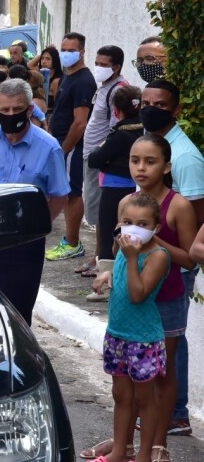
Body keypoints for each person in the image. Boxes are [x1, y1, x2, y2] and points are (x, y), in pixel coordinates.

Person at [81, 134, 198, 462]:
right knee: (126, 383)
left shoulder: (178, 205)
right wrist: (112, 267)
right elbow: (119, 251)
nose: (141, 168)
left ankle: (157, 444)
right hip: (130, 303)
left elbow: (190, 260)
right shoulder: (128, 203)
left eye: (150, 161)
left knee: (162, 375)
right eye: (135, 161)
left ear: (166, 166)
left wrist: (151, 239)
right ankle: (124, 445)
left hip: (168, 297)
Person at [0, 79, 69, 326]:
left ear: (30, 109)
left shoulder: (49, 147)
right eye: (5, 110)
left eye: (17, 109)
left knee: (16, 311)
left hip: (24, 239)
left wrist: (36, 225)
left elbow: (60, 195)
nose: (11, 115)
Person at [140, 79, 204, 435]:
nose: (150, 108)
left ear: (176, 109)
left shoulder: (185, 157)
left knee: (172, 338)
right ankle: (154, 410)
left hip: (175, 263)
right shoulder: (153, 145)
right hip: (149, 262)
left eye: (160, 104)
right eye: (145, 101)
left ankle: (176, 413)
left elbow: (195, 222)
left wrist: (162, 249)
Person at [95, 192, 170, 462]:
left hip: (143, 340)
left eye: (143, 224)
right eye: (127, 222)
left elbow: (138, 294)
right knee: (121, 396)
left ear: (155, 228)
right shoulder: (122, 248)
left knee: (144, 400)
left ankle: (143, 455)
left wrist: (129, 258)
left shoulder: (157, 256)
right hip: (117, 334)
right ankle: (118, 451)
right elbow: (120, 274)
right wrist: (107, 272)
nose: (134, 229)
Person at [75, 45, 129, 277]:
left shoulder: (118, 90)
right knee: (97, 212)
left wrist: (100, 154)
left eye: (104, 65)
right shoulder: (106, 87)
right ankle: (98, 255)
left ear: (116, 67)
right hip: (91, 156)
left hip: (99, 159)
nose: (98, 68)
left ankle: (102, 258)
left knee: (102, 214)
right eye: (97, 63)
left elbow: (113, 128)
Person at [45, 32, 97, 261]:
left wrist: (64, 149)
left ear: (82, 52)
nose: (66, 54)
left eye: (71, 50)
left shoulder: (84, 81)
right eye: (63, 49)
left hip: (71, 145)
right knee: (65, 193)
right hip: (61, 142)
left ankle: (73, 243)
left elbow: (80, 122)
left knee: (72, 193)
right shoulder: (69, 75)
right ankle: (69, 240)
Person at [87, 86, 143, 283]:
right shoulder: (144, 131)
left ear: (116, 111)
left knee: (109, 232)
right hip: (136, 189)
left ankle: (105, 279)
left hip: (114, 190)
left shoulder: (119, 135)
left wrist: (105, 156)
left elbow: (94, 159)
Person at [28, 46, 62, 113]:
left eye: (48, 59)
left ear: (55, 60)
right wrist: (44, 51)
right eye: (42, 59)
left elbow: (57, 105)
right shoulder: (42, 73)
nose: (43, 61)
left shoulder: (56, 81)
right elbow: (29, 65)